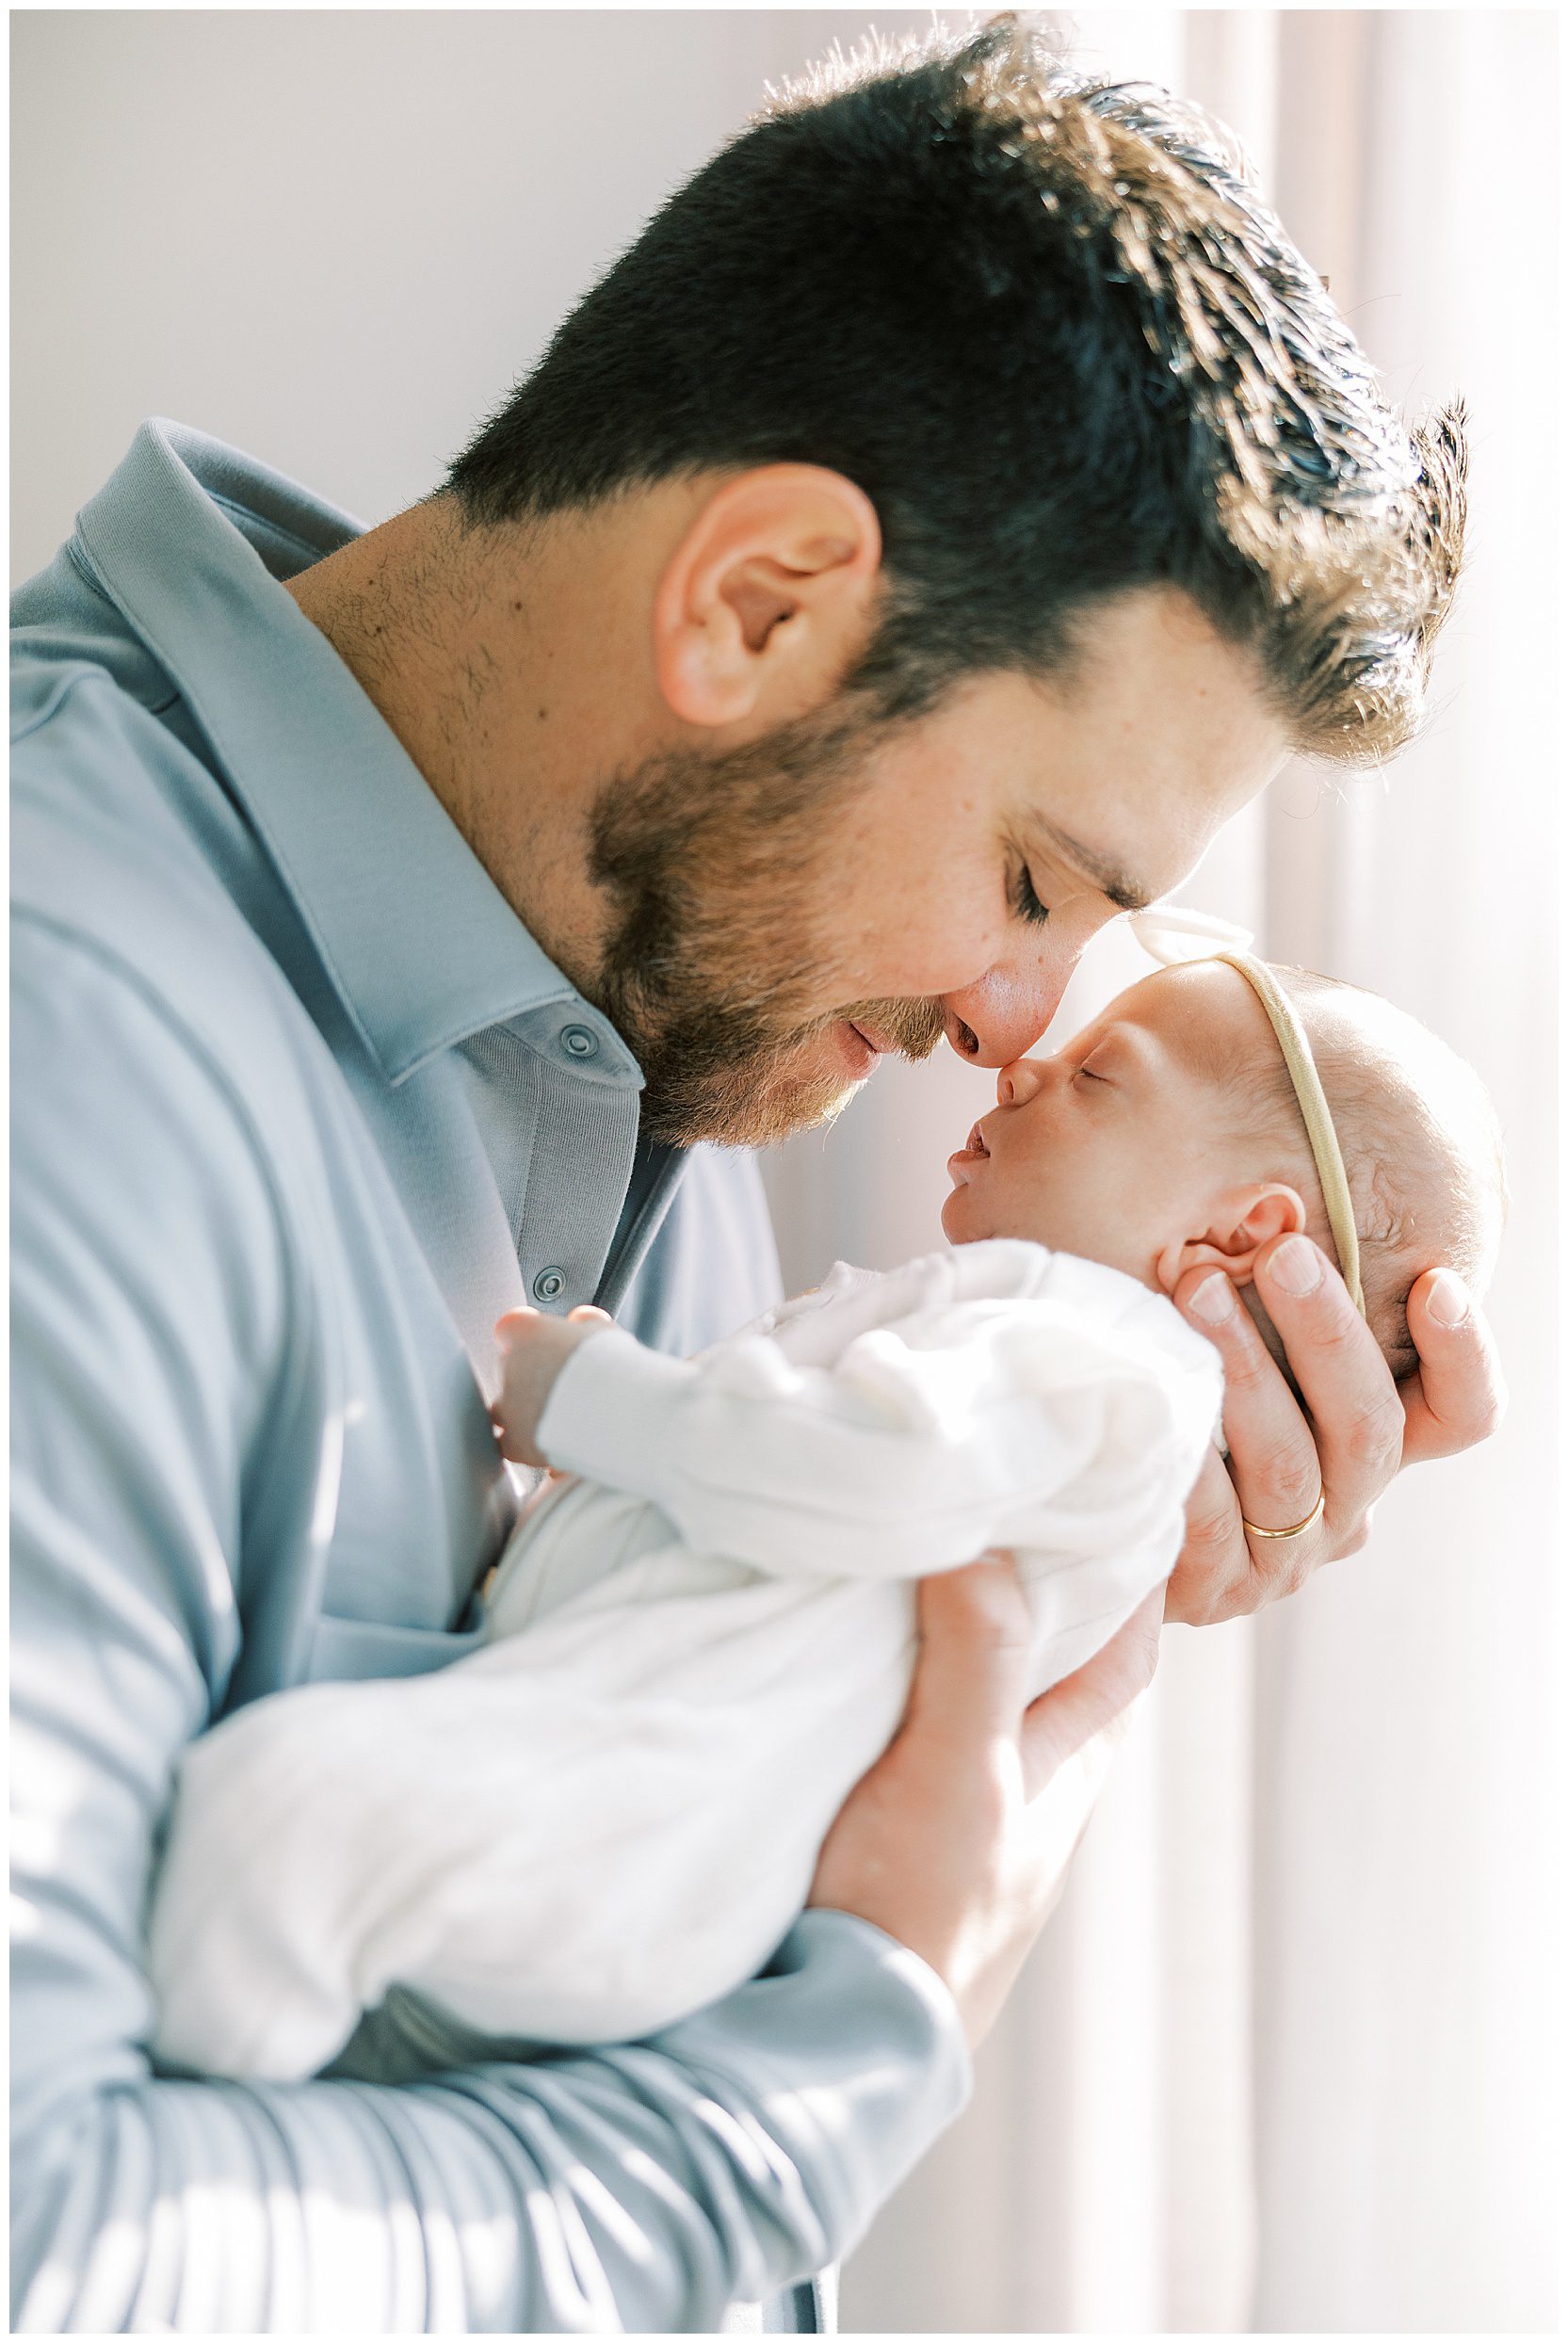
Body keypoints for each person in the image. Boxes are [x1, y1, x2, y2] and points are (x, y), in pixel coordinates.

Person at [9, 20, 1503, 2335]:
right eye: (1028, 875)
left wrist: (1005, 1623)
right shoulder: (57, 1047)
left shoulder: (664, 1071)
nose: (1025, 1016)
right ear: (758, 604)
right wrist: (840, 2050)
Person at [139, 935, 1504, 2086]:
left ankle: (151, 2169)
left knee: (280, 1824)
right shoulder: (1041, 1363)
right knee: (308, 1897)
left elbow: (858, 1473)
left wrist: (600, 1402)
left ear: (1232, 1242)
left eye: (1097, 1076)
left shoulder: (1100, 1361)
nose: (1019, 1055)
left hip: (632, 1816)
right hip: (608, 1800)